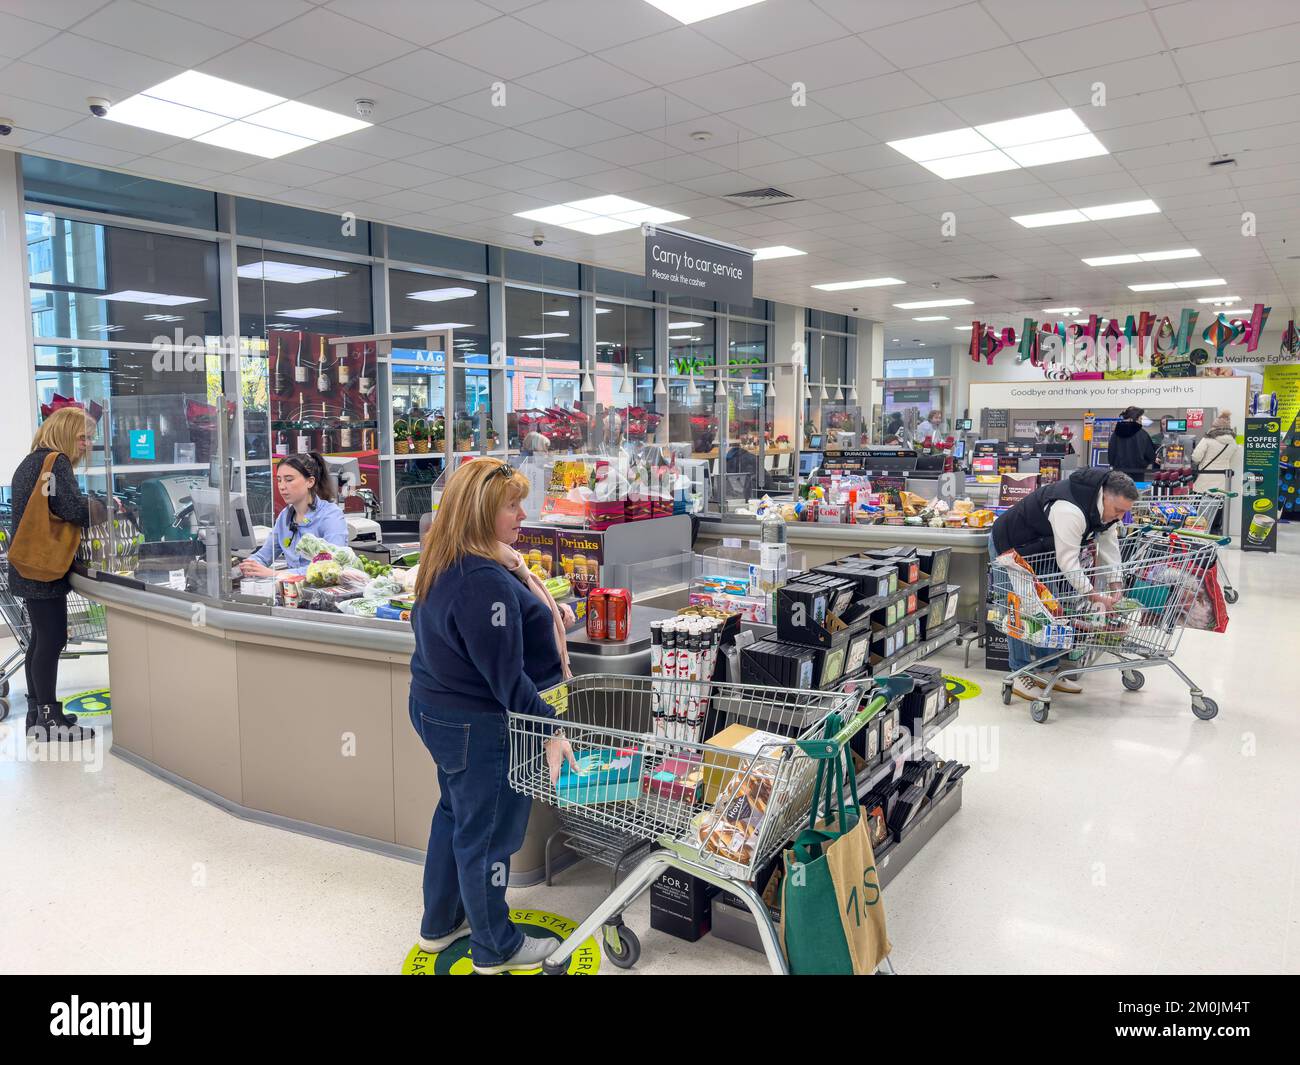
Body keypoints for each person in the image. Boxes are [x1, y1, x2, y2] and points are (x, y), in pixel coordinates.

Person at [409, 458, 578, 975]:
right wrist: (550, 728)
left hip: (438, 709)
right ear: (483, 511)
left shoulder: (449, 557)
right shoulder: (484, 581)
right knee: (488, 836)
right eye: (512, 505)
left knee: (455, 817)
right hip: (480, 724)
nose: (522, 514)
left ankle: (441, 924)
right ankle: (496, 947)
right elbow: (506, 679)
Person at [989, 468, 1140, 701]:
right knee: (1019, 610)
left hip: (1042, 551)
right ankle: (1019, 672)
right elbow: (1068, 561)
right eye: (1118, 510)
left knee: (1052, 609)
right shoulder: (1069, 509)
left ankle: (1048, 669)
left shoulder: (1105, 511)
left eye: (1124, 512)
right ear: (1104, 496)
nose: (1120, 516)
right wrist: (1093, 596)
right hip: (1012, 546)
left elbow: (1110, 545)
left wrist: (1116, 583)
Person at [6, 406, 106, 741]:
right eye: (83, 438)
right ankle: (48, 720)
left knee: (39, 640)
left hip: (27, 563)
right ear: (64, 432)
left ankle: (39, 711)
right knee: (52, 639)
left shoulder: (31, 461)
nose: (87, 445)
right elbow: (70, 509)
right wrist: (102, 507)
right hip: (44, 568)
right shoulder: (55, 462)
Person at [239, 453, 349, 578]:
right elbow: (264, 555)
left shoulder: (330, 516)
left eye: (289, 480)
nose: (282, 486)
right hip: (293, 591)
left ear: (310, 482)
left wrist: (277, 574)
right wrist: (248, 566)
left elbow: (331, 566)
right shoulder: (284, 517)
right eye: (279, 480)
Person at [1192, 412, 1240, 532]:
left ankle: (1198, 528)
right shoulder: (1233, 442)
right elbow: (1233, 462)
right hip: (1223, 479)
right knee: (1218, 507)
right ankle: (1215, 529)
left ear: (1215, 426)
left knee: (1200, 506)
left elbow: (1196, 457)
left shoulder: (1207, 439)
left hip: (1205, 479)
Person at [1107, 406, 1159, 481]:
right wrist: (1145, 462)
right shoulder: (1142, 434)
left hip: (1118, 474)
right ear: (1134, 419)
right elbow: (1150, 455)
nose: (1141, 421)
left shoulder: (1115, 434)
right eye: (1140, 418)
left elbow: (1110, 457)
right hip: (1137, 474)